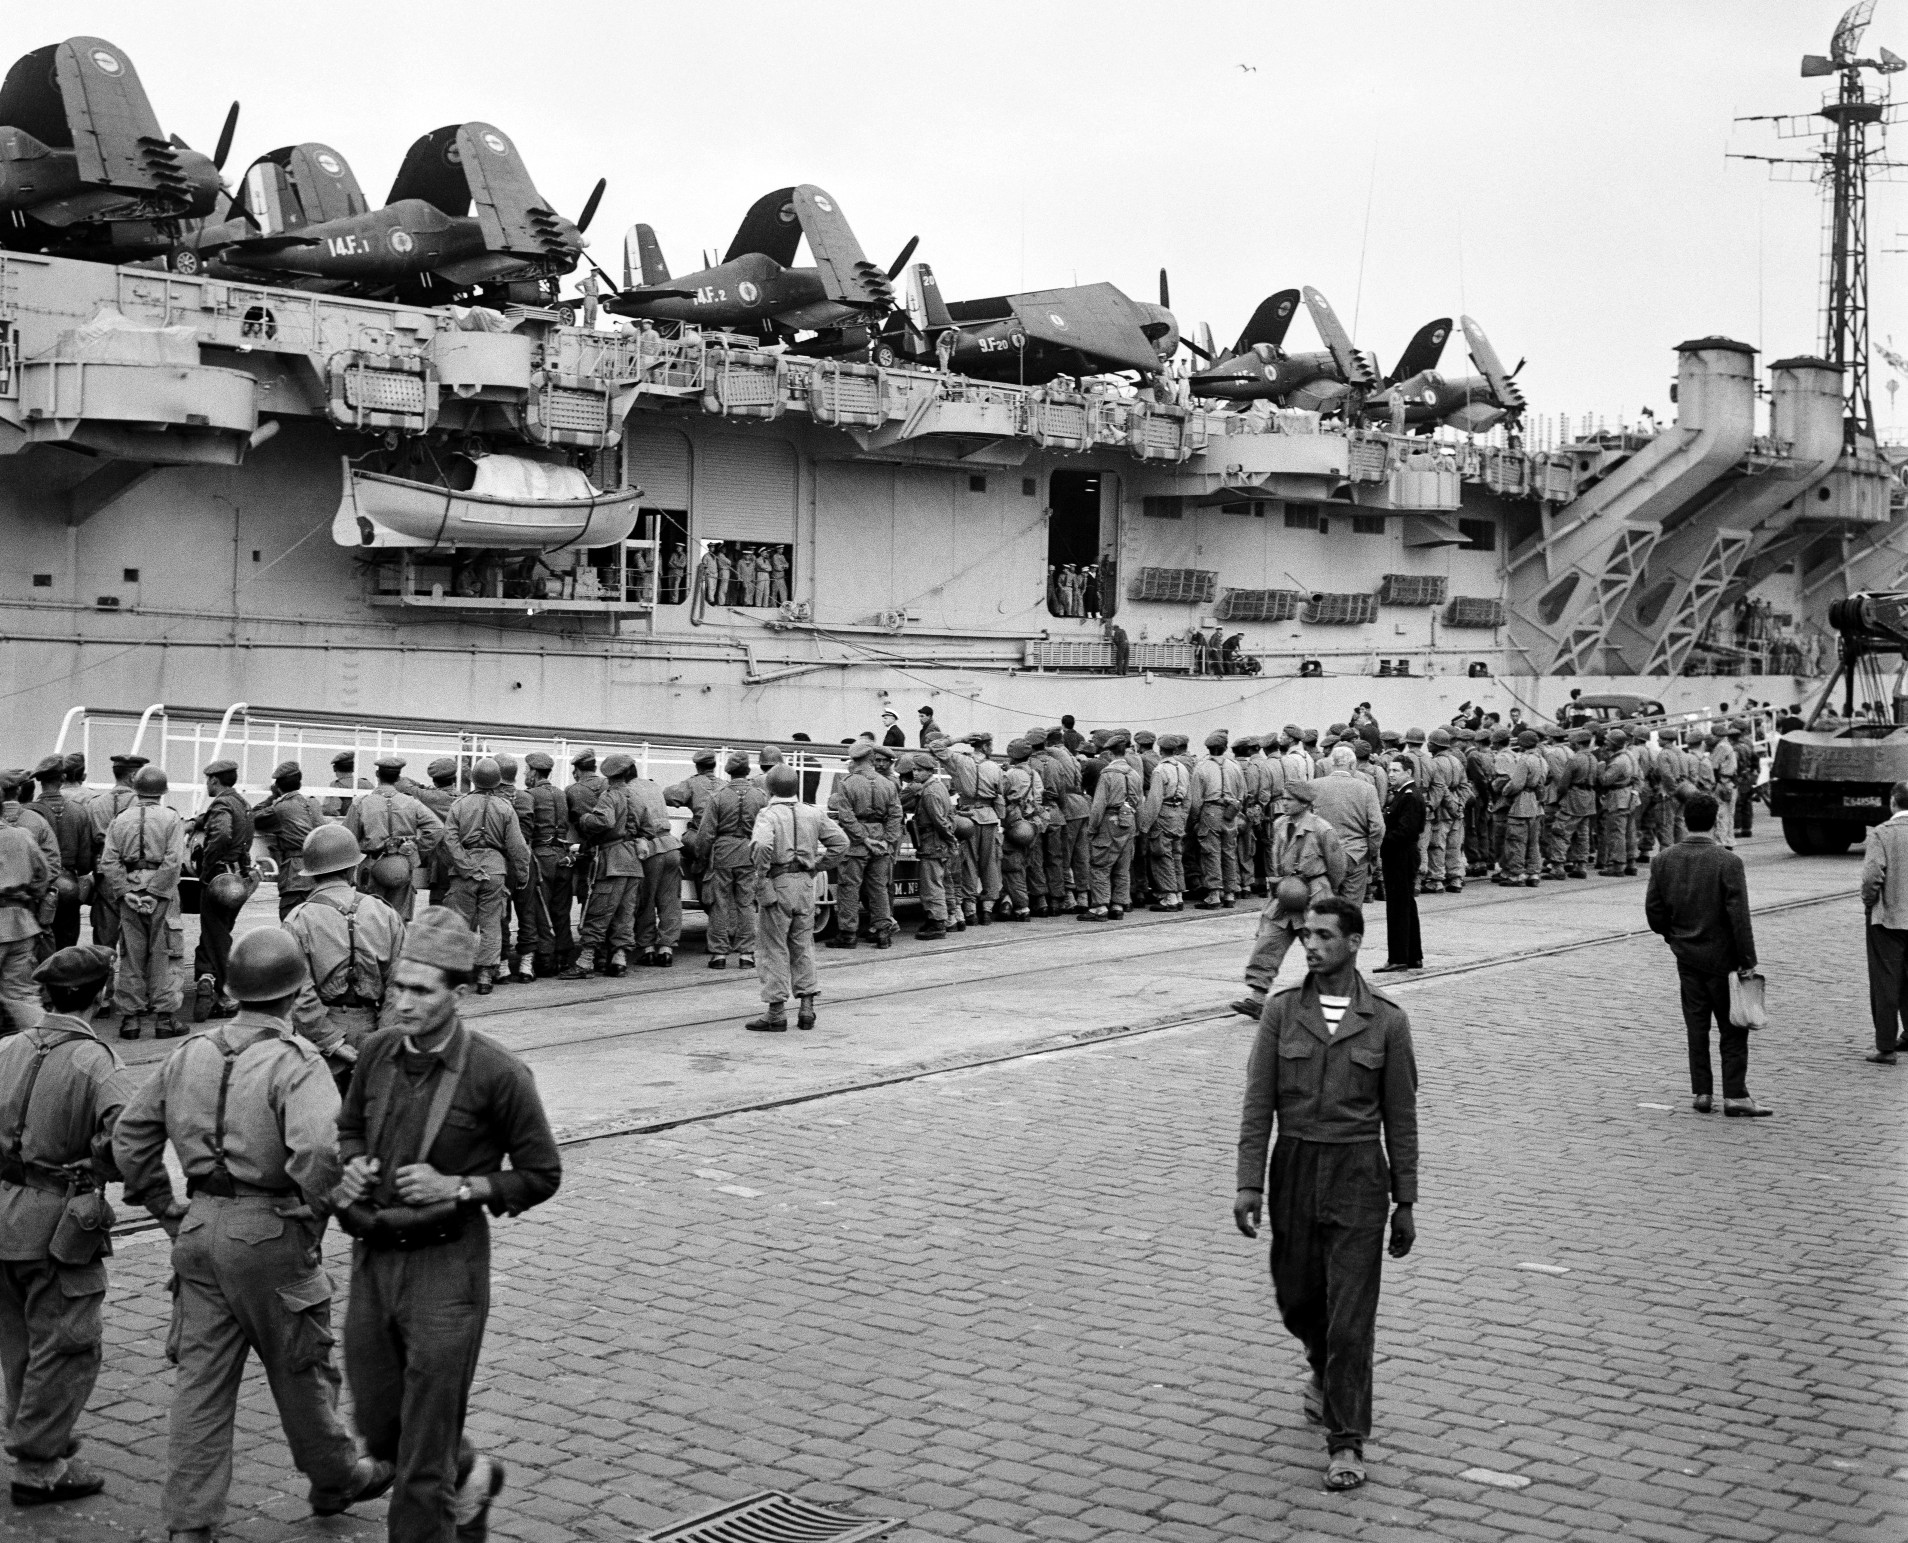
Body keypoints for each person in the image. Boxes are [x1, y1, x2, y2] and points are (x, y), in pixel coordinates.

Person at [114, 929, 393, 1541]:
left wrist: (167, 1210)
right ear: (296, 994)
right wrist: (316, 1212)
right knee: (301, 1368)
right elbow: (318, 1150)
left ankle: (190, 1522)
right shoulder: (297, 1062)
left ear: (236, 992)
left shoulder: (189, 1052)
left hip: (201, 1229)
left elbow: (131, 1137)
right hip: (270, 1233)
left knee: (201, 1382)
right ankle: (335, 1478)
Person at [333, 906, 562, 1543]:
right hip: (373, 1259)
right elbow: (349, 1129)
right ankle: (473, 1474)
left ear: (457, 996)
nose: (401, 1003)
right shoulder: (376, 1053)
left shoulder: (498, 1072)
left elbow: (542, 1174)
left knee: (421, 1453)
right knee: (379, 1427)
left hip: (447, 1268)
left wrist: (458, 1185)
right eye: (397, 987)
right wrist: (350, 1167)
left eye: (420, 991)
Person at [1233, 897, 1418, 1493]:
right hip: (1295, 1168)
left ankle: (1345, 1441)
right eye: (1305, 935)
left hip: (1360, 1172)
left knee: (1351, 1320)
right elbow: (1258, 1104)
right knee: (1297, 1297)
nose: (1309, 945)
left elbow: (1402, 1117)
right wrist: (1248, 1183)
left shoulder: (1387, 1020)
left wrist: (1405, 1200)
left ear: (1355, 942)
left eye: (1322, 935)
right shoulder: (1283, 1013)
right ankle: (1319, 1365)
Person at [0, 945, 135, 1507]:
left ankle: (38, 1437)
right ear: (103, 994)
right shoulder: (97, 1061)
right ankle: (37, 1466)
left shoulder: (6, 1046)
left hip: (2, 1213)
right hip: (57, 1225)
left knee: (20, 1344)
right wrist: (98, 1163)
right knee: (69, 1345)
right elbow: (132, 1140)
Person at [1643, 793, 1768, 1116]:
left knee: (1696, 1026)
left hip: (1686, 956)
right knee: (1733, 1027)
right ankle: (1736, 1095)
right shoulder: (1728, 862)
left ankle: (1702, 1093)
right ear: (1716, 821)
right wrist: (1748, 960)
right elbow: (1739, 917)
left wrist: (1674, 937)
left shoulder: (1663, 860)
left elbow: (1654, 912)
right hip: (1724, 959)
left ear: (1684, 820)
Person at [284, 825, 406, 1066]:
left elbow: (299, 993)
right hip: (375, 1029)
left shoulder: (298, 920)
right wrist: (381, 1040)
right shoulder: (385, 912)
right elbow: (400, 984)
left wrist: (332, 1042)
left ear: (311, 873)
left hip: (319, 1039)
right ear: (353, 868)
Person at [744, 766, 847, 1032]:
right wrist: (820, 865)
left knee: (773, 947)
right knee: (803, 944)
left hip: (778, 882)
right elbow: (841, 842)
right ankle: (807, 1008)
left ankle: (776, 1012)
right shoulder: (812, 812)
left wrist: (762, 875)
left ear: (769, 789)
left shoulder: (768, 814)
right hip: (805, 883)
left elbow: (762, 845)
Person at [1234, 783, 1346, 1019]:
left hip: (1314, 894)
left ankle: (1334, 998)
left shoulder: (1321, 829)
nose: (1283, 803)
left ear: (1304, 803)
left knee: (1319, 949)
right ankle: (1257, 999)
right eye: (1283, 798)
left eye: (1289, 800)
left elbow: (1337, 867)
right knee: (1268, 942)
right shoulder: (1280, 825)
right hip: (1286, 894)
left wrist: (1327, 894)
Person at [95, 766, 187, 1040]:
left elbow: (108, 861)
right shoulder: (171, 818)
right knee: (166, 953)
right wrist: (156, 892)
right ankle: (164, 1019)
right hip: (163, 892)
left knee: (131, 955)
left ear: (136, 789)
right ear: (163, 791)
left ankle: (131, 1021)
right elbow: (174, 860)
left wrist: (125, 892)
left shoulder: (120, 820)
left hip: (130, 889)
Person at [440, 759, 532, 994]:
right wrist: (522, 875)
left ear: (474, 779)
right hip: (495, 870)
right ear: (497, 780)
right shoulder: (505, 807)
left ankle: (458, 973)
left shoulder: (459, 805)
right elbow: (517, 846)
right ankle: (484, 976)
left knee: (461, 923)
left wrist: (466, 866)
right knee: (492, 923)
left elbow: (449, 841)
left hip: (464, 873)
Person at [562, 753, 644, 979]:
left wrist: (585, 819)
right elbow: (647, 827)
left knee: (599, 910)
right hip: (633, 862)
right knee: (624, 914)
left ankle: (585, 960)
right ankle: (619, 959)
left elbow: (604, 821)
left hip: (611, 860)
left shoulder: (610, 795)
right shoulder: (635, 795)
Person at [189, 759, 257, 1022]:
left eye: (208, 780)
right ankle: (206, 975)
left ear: (215, 780)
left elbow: (221, 835)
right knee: (216, 932)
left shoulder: (221, 804)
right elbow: (244, 840)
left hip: (218, 877)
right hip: (236, 877)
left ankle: (228, 993)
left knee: (217, 936)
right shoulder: (243, 804)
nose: (207, 784)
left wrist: (206, 868)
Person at [346, 756, 444, 923]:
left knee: (371, 919)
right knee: (398, 920)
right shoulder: (411, 803)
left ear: (377, 774)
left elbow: (348, 838)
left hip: (371, 866)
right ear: (399, 777)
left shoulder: (361, 803)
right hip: (402, 865)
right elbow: (437, 828)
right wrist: (417, 848)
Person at [698, 754, 769, 969]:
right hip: (748, 852)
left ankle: (718, 954)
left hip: (722, 853)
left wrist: (702, 856)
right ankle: (746, 953)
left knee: (719, 903)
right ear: (748, 771)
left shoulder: (718, 796)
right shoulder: (759, 796)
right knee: (746, 903)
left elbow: (707, 833)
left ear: (728, 772)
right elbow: (765, 830)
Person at [827, 742, 898, 949]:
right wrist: (887, 840)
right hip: (881, 842)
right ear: (872, 759)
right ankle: (883, 932)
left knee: (849, 888)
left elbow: (846, 817)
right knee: (879, 888)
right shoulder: (887, 783)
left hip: (856, 844)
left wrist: (863, 838)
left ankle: (848, 934)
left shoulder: (847, 783)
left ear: (855, 760)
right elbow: (895, 815)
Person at [1860, 781, 1908, 1065]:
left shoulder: (1882, 833)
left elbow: (1871, 876)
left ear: (1893, 802)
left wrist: (1870, 903)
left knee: (1886, 982)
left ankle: (1886, 1046)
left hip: (1889, 919)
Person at [26, 758, 94, 954]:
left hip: (39, 886)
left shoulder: (29, 812)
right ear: (63, 778)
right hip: (69, 886)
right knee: (67, 943)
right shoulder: (79, 812)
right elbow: (84, 862)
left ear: (39, 781)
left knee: (39, 944)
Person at [519, 753, 573, 978]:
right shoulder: (561, 794)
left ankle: (545, 959)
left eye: (526, 771)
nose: (524, 774)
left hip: (542, 856)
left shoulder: (529, 796)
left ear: (533, 772)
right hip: (564, 855)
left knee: (539, 908)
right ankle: (564, 956)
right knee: (561, 909)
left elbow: (525, 831)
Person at [86, 754, 146, 955]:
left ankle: (104, 982)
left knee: (104, 935)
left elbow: (89, 843)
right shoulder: (143, 805)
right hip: (135, 874)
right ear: (133, 776)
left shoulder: (95, 804)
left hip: (105, 874)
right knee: (136, 936)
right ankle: (132, 983)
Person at [254, 761, 327, 921]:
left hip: (296, 875)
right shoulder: (313, 803)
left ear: (278, 785)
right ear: (299, 783)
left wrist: (273, 797)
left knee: (291, 922)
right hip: (320, 873)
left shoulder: (281, 807)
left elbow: (253, 817)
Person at [1310, 746, 1384, 905]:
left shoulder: (1314, 786)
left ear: (1332, 765)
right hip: (1355, 854)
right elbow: (1377, 827)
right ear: (1352, 765)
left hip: (1322, 856)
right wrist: (1371, 852)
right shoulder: (1367, 789)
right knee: (1351, 910)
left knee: (1324, 909)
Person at [0, 808, 51, 1035]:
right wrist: (29, 895)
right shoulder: (22, 835)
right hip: (21, 922)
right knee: (22, 995)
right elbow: (43, 874)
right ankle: (44, 1043)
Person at [1082, 733, 1140, 921]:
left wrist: (1092, 829)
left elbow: (1099, 805)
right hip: (1128, 820)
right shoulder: (1134, 774)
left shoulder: (1107, 775)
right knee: (1122, 867)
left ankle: (1099, 907)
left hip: (1109, 821)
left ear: (1108, 753)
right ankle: (1118, 905)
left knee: (1100, 865)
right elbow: (1138, 801)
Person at [1377, 764, 1425, 972]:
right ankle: (1412, 956)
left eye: (1396, 770)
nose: (1391, 774)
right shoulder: (1404, 794)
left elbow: (1406, 830)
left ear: (1408, 772)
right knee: (1405, 904)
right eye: (1390, 770)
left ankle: (1399, 958)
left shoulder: (1409, 796)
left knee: (1398, 906)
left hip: (1401, 854)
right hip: (1400, 854)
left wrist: (1381, 840)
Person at [904, 753, 955, 940]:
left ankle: (937, 923)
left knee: (931, 885)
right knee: (936, 882)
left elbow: (940, 821)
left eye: (919, 770)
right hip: (935, 843)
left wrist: (950, 840)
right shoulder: (937, 786)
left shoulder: (930, 792)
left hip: (933, 843)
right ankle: (936, 919)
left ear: (928, 771)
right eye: (914, 770)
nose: (915, 774)